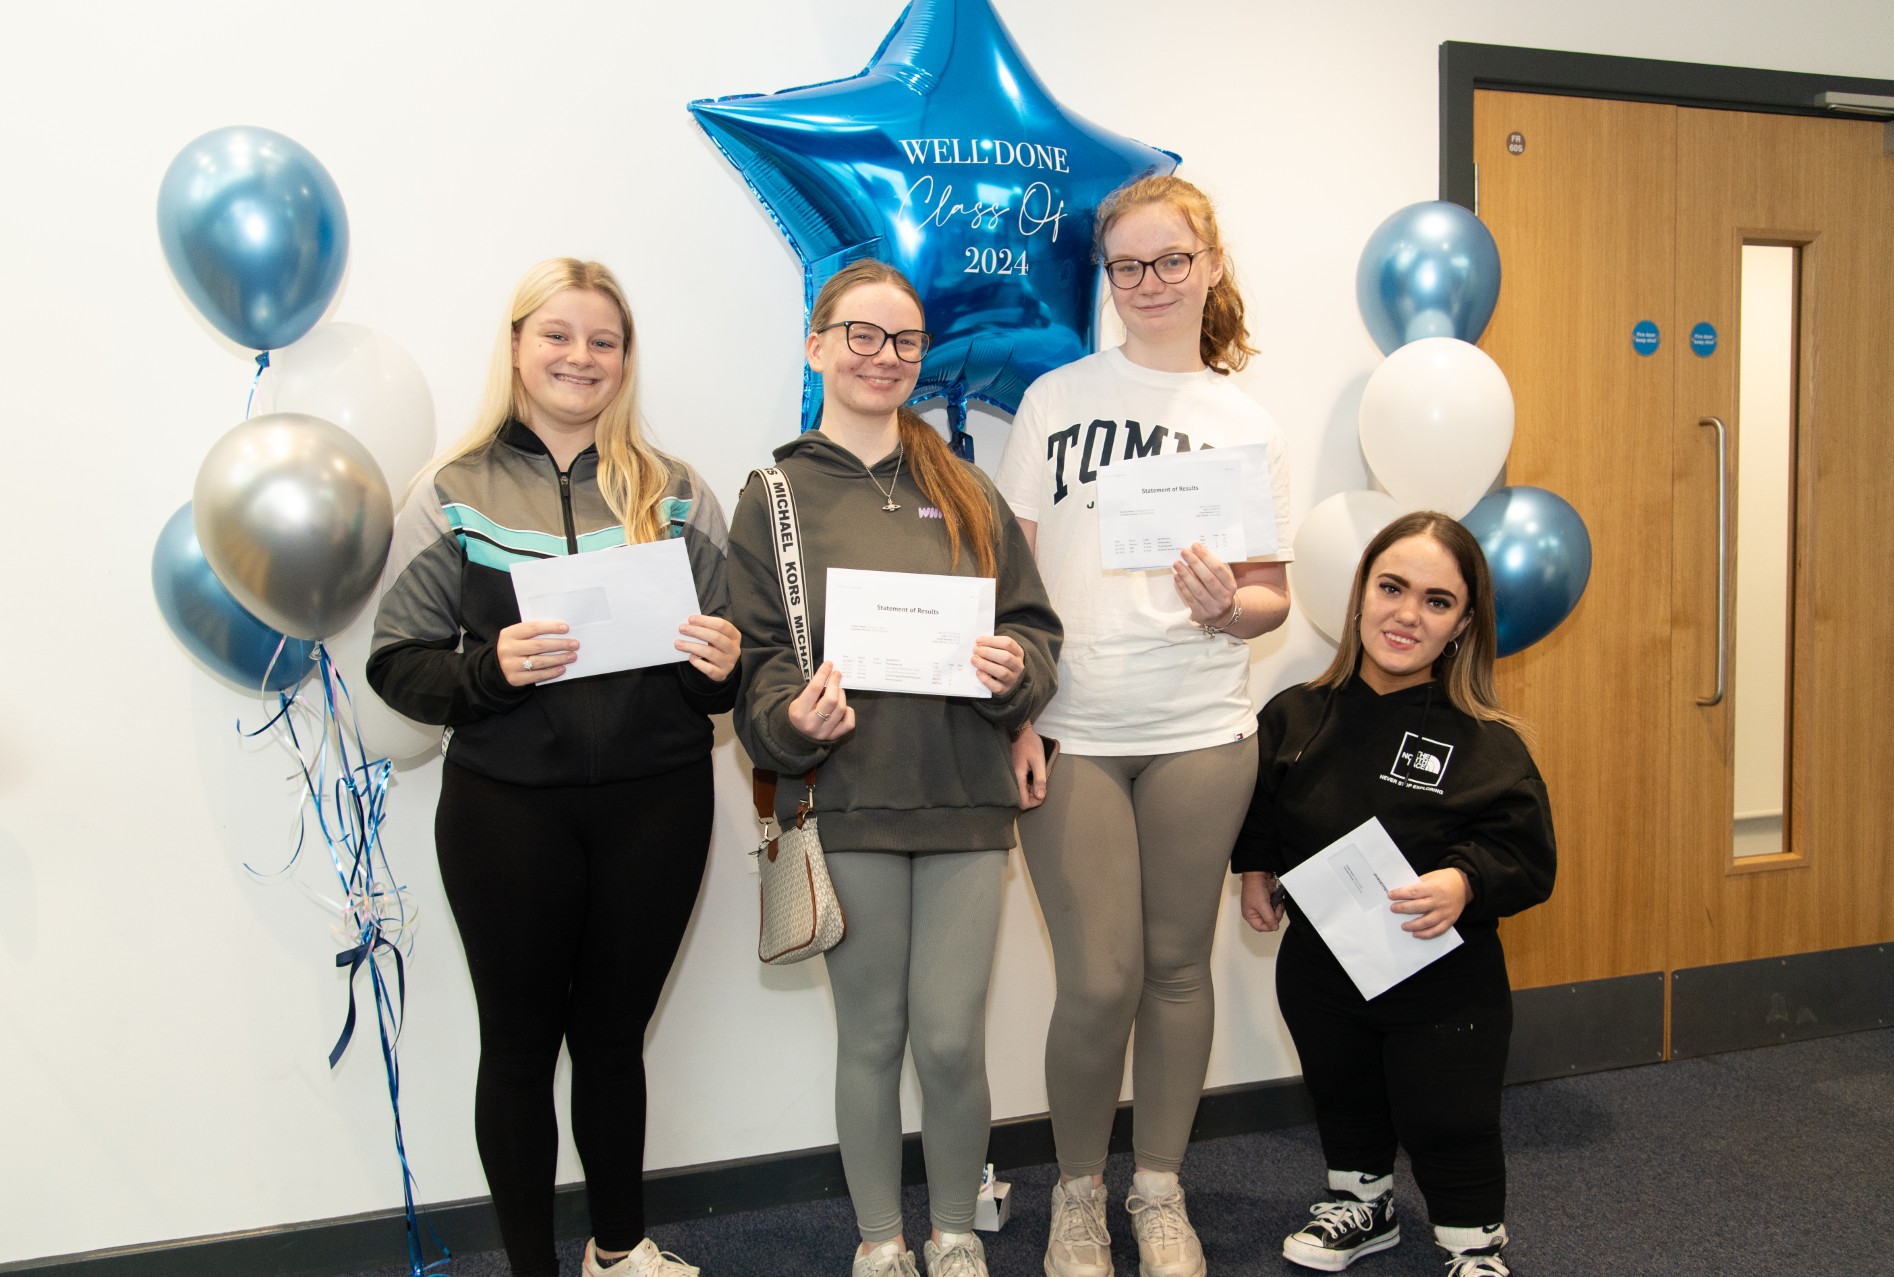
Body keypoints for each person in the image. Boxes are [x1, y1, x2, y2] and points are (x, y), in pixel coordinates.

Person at [367, 258, 739, 1277]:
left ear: (625, 360)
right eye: (559, 335)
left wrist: (721, 671)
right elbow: (395, 660)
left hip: (659, 801)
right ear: (519, 347)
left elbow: (729, 664)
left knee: (615, 1039)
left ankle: (620, 1249)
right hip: (505, 811)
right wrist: (488, 668)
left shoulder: (675, 491)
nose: (581, 356)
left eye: (603, 340)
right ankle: (534, 1265)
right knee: (521, 1046)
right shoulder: (453, 487)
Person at [727, 259, 1062, 1277]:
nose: (884, 357)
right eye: (862, 336)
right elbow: (757, 656)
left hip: (965, 801)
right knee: (871, 1039)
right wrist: (792, 714)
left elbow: (1034, 630)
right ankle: (882, 1237)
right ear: (817, 346)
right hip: (850, 801)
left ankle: (955, 1228)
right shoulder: (775, 495)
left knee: (952, 1041)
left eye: (904, 341)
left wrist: (1017, 674)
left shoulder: (967, 486)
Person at [993, 174, 1293, 1277]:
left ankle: (1157, 1189)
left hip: (1201, 728)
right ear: (1105, 277)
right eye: (1129, 265)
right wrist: (1013, 712)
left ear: (1210, 266)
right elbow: (1008, 577)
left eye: (1173, 260)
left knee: (1177, 966)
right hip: (1072, 725)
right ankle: (1079, 1193)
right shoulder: (1055, 400)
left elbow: (1270, 597)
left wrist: (1234, 607)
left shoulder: (1245, 422)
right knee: (1099, 977)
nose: (1152, 282)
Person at [1233, 512, 1556, 1277]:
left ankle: (1474, 1242)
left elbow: (1527, 853)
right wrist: (1255, 869)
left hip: (1443, 978)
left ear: (1464, 624)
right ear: (1359, 594)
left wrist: (1464, 879)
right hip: (1322, 966)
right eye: (1392, 587)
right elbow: (1263, 810)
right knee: (1342, 1090)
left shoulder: (1487, 738)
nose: (1408, 614)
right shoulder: (1297, 715)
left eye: (1437, 601)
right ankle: (1363, 1203)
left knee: (1448, 1113)